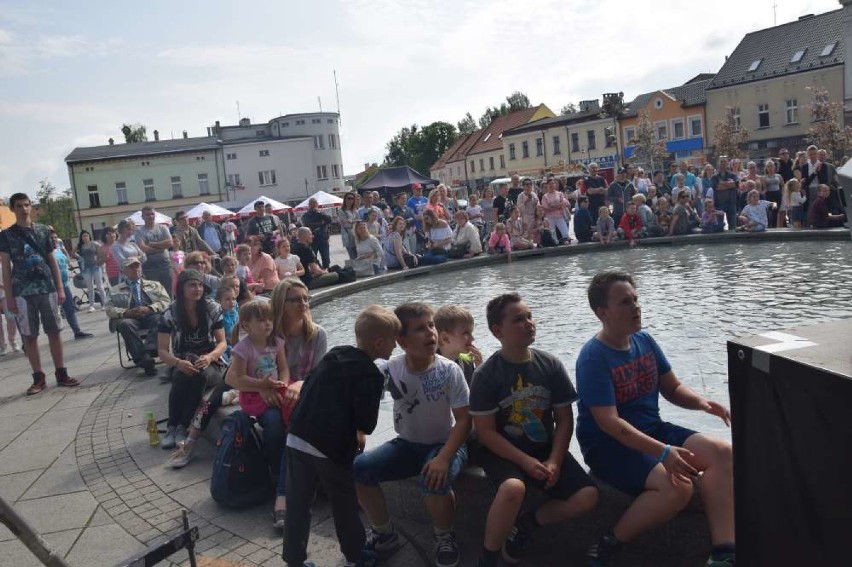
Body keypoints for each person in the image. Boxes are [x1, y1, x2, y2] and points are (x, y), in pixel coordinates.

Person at [576, 271, 734, 567]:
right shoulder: (592, 358)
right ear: (603, 313)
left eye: (635, 299)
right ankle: (608, 544)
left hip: (651, 428)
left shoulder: (644, 340)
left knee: (723, 453)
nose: (636, 307)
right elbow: (609, 423)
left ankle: (724, 552)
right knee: (678, 487)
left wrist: (701, 402)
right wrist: (663, 452)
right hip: (609, 446)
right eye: (625, 302)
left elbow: (672, 388)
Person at [470, 293, 598, 567]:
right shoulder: (486, 375)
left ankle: (529, 523)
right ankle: (488, 558)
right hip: (502, 452)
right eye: (518, 319)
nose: (529, 323)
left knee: (588, 496)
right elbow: (486, 433)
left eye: (529, 316)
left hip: (543, 448)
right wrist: (525, 462)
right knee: (513, 489)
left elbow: (564, 418)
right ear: (497, 330)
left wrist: (554, 459)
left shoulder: (549, 364)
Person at [353, 303, 471, 567]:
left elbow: (464, 420)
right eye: (420, 329)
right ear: (402, 341)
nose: (431, 333)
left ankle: (443, 535)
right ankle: (384, 533)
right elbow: (361, 398)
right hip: (406, 444)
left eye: (431, 326)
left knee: (434, 479)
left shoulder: (449, 370)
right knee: (360, 468)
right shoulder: (390, 369)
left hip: (445, 444)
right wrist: (358, 430)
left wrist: (444, 456)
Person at [282, 305, 400, 567]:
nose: (395, 347)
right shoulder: (371, 374)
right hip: (331, 450)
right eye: (393, 341)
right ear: (379, 342)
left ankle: (294, 560)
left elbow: (310, 386)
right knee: (344, 504)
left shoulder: (335, 354)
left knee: (298, 506)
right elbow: (367, 424)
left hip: (298, 436)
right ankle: (357, 556)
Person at [0, 193, 80, 395]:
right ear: (12, 208)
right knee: (30, 336)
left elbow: (52, 260)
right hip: (22, 291)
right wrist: (9, 297)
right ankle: (38, 377)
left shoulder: (44, 231)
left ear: (31, 207)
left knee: (54, 330)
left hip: (47, 288)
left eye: (27, 205)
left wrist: (61, 287)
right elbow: (6, 268)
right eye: (19, 206)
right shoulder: (6, 235)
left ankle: (61, 372)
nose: (24, 209)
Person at [225, 299, 294, 521]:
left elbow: (283, 368)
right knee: (273, 423)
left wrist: (282, 384)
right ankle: (275, 466)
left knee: (293, 418)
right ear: (246, 325)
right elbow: (239, 377)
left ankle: (285, 471)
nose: (267, 324)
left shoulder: (277, 342)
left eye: (270, 319)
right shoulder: (242, 349)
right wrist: (261, 385)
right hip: (255, 394)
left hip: (276, 388)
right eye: (261, 320)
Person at [269, 278, 329, 525]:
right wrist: (267, 387)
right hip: (274, 397)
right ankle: (289, 483)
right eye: (296, 299)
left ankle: (283, 496)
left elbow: (318, 376)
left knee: (295, 428)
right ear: (282, 303)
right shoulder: (270, 335)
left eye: (306, 298)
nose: (303, 303)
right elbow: (259, 368)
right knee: (273, 425)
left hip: (305, 397)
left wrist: (300, 384)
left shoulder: (317, 334)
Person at [157, 269, 227, 449]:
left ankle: (182, 426)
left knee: (200, 375)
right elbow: (162, 351)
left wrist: (210, 357)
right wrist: (178, 363)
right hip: (183, 361)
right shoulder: (170, 313)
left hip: (212, 364)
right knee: (182, 375)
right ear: (181, 289)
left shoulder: (212, 308)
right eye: (192, 285)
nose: (197, 289)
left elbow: (222, 343)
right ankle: (172, 426)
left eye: (200, 285)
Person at [106, 258, 171, 376]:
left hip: (151, 314)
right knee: (125, 324)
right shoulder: (115, 290)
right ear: (124, 271)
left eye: (137, 266)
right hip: (130, 317)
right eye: (131, 267)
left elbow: (166, 301)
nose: (135, 269)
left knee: (160, 319)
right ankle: (143, 358)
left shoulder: (155, 285)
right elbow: (109, 309)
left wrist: (150, 308)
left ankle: (147, 354)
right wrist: (126, 312)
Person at [51, 230, 93, 340]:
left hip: (64, 284)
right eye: (52, 238)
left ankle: (77, 331)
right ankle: (55, 336)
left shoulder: (59, 250)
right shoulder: (46, 252)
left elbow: (66, 260)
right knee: (54, 311)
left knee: (70, 309)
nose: (54, 239)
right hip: (52, 286)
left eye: (56, 237)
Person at [434, 305, 480, 386]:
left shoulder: (467, 362)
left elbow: (472, 395)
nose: (472, 338)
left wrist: (480, 371)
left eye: (471, 333)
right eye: (466, 333)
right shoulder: (429, 367)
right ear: (445, 338)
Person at [134, 206, 175, 297]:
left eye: (152, 214)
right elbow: (143, 248)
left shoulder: (163, 228)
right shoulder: (139, 231)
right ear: (142, 217)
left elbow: (170, 243)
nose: (150, 216)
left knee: (169, 295)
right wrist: (161, 248)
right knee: (154, 296)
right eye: (147, 214)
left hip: (166, 266)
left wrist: (151, 244)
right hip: (149, 268)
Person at [74, 230, 106, 312]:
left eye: (86, 235)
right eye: (83, 236)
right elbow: (73, 253)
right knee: (89, 287)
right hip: (86, 269)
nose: (85, 237)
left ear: (89, 236)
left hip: (96, 267)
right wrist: (80, 258)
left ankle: (105, 303)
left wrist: (99, 260)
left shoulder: (94, 244)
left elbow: (101, 251)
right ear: (81, 237)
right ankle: (91, 305)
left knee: (100, 286)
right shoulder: (81, 246)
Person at [301, 197, 333, 269]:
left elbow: (329, 220)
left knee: (326, 258)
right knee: (313, 257)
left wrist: (320, 214)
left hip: (323, 239)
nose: (314, 205)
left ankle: (326, 270)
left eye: (315, 203)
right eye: (312, 203)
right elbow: (308, 225)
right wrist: (321, 223)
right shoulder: (306, 215)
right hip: (312, 240)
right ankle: (318, 270)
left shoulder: (321, 213)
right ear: (309, 205)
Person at [710, 158, 739, 231]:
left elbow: (735, 184)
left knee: (733, 226)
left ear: (727, 164)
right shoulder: (714, 177)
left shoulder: (733, 175)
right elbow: (717, 187)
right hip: (719, 204)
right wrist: (729, 184)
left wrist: (722, 183)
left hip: (731, 203)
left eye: (724, 162)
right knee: (720, 226)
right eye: (721, 162)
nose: (723, 163)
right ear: (718, 164)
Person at [540, 178, 571, 244]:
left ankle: (566, 242)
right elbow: (546, 208)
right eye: (549, 184)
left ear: (555, 184)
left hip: (560, 216)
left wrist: (553, 206)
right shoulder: (545, 196)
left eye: (553, 183)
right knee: (552, 234)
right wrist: (557, 206)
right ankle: (555, 243)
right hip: (550, 218)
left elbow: (563, 204)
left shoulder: (560, 194)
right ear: (547, 185)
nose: (551, 185)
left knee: (565, 232)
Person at [0, 262, 20, 354]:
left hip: (5, 293)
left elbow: (13, 274)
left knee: (11, 318)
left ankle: (13, 340)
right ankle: (2, 345)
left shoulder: (6, 259)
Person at [339, 192, 360, 260]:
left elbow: (358, 221)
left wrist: (350, 220)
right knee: (352, 254)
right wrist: (353, 220)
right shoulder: (341, 211)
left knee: (358, 253)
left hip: (356, 233)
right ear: (345, 199)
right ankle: (354, 268)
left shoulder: (355, 210)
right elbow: (344, 223)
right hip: (347, 234)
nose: (350, 200)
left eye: (352, 198)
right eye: (349, 198)